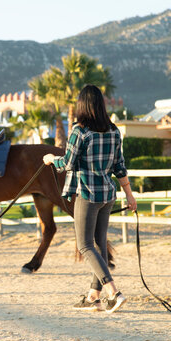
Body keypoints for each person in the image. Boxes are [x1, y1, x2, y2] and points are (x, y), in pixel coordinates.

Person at [43, 84, 137, 313]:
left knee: (85, 245)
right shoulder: (114, 131)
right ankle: (94, 297)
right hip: (108, 194)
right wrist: (130, 195)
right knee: (99, 244)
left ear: (82, 105)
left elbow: (67, 163)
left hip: (87, 193)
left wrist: (49, 159)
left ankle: (113, 293)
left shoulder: (80, 131)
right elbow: (119, 166)